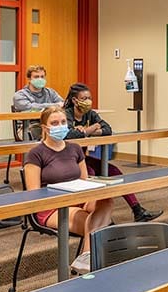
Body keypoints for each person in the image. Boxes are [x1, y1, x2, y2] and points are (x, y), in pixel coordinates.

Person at [24, 106, 113, 273]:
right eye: (55, 123)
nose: (60, 126)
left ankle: (86, 256)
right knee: (98, 224)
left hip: (79, 198)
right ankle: (88, 256)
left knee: (106, 201)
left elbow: (84, 181)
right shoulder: (35, 154)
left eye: (63, 122)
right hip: (52, 207)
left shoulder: (75, 148)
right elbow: (34, 192)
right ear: (45, 127)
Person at [62, 83, 162, 222]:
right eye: (84, 98)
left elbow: (107, 129)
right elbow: (69, 135)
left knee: (114, 171)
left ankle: (137, 210)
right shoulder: (65, 115)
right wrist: (91, 130)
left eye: (89, 98)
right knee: (89, 173)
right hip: (68, 161)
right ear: (74, 100)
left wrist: (87, 131)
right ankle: (97, 217)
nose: (88, 101)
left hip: (83, 158)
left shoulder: (91, 114)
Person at [12, 65, 64, 139]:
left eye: (42, 77)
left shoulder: (50, 92)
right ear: (29, 79)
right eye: (36, 77)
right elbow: (30, 107)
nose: (40, 79)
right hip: (27, 126)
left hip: (51, 123)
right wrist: (54, 105)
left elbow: (62, 104)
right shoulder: (20, 95)